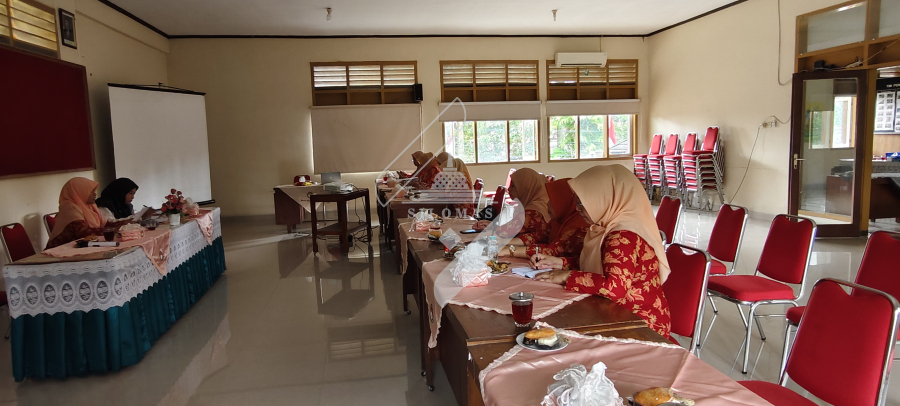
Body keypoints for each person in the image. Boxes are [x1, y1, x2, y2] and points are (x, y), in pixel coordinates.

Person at [533, 165, 672, 338]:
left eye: (582, 203)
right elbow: (604, 265)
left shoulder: (622, 236)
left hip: (640, 325)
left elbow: (615, 289)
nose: (578, 209)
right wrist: (562, 263)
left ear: (606, 199)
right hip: (616, 313)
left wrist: (567, 276)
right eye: (577, 202)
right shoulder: (607, 227)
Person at [498, 178, 589, 270]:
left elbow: (552, 250)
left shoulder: (580, 226)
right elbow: (539, 235)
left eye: (552, 201)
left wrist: (509, 250)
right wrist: (504, 243)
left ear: (564, 201)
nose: (547, 204)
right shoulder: (559, 221)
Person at [45, 177, 131, 249]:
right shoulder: (69, 208)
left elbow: (106, 225)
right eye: (92, 191)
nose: (95, 194)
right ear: (80, 191)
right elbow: (84, 232)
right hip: (61, 252)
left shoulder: (90, 206)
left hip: (82, 248)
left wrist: (124, 222)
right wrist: (114, 229)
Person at [479, 168, 550, 245]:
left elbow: (504, 232)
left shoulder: (533, 212)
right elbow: (513, 229)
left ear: (525, 188)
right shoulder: (537, 204)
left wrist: (492, 227)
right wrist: (493, 226)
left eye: (513, 186)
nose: (509, 189)